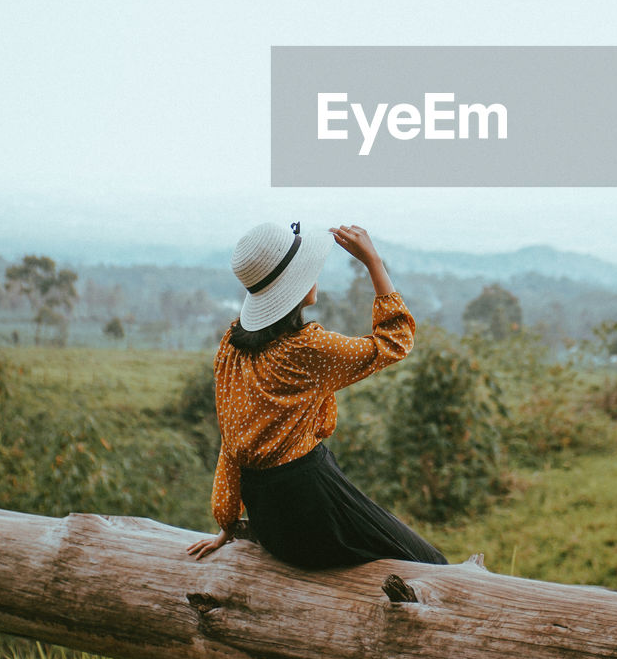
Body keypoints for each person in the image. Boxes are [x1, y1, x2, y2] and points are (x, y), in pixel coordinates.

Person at [186, 220, 448, 568]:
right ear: (292, 288)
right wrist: (374, 263)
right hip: (313, 505)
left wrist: (227, 523)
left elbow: (232, 441)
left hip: (274, 524)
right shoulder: (309, 348)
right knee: (431, 564)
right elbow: (395, 340)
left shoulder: (232, 347)